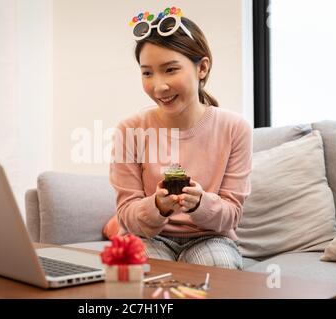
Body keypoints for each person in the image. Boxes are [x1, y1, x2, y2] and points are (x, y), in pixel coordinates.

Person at [103, 7, 252, 270]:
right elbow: (126, 213)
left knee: (217, 268)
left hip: (210, 238)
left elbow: (232, 216)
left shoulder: (234, 128)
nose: (158, 86)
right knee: (139, 272)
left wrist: (201, 203)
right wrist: (158, 206)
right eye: (147, 73)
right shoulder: (129, 129)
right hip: (149, 236)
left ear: (202, 68)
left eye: (170, 70)